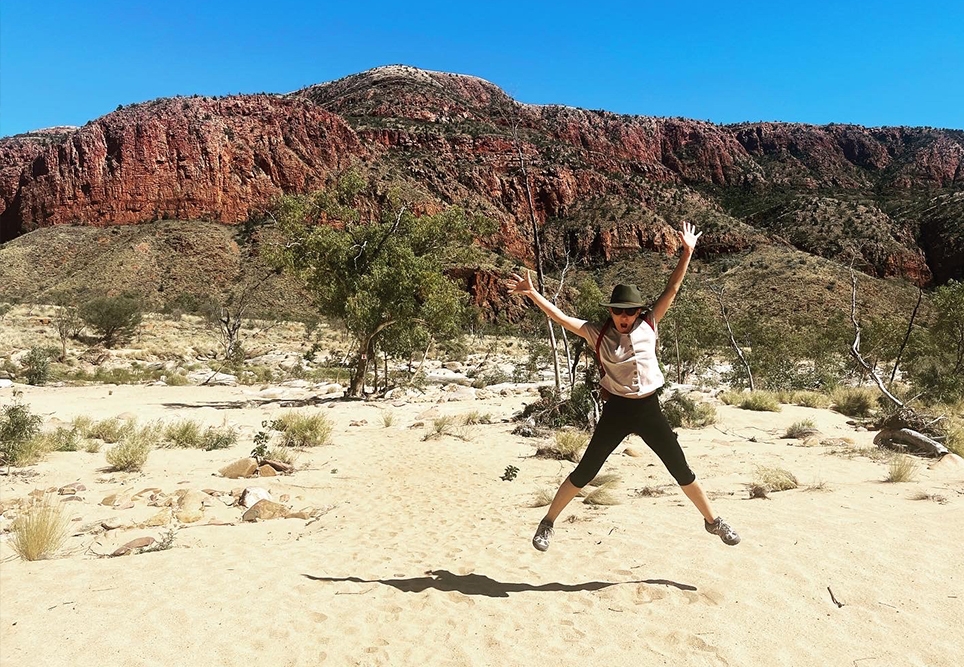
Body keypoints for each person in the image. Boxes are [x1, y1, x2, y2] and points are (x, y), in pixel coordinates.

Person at [507, 221, 740, 551]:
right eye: (618, 311)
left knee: (680, 469)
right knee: (586, 470)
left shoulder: (650, 324)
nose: (624, 316)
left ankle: (713, 522)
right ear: (612, 313)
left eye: (630, 311)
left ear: (638, 311)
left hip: (648, 409)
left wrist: (687, 253)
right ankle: (547, 523)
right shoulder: (596, 333)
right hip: (617, 410)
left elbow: (672, 289)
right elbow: (560, 318)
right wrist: (533, 294)